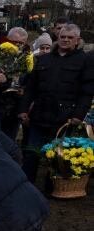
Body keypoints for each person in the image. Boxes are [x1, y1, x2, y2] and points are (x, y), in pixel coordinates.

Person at [19, 24, 94, 186]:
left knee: (57, 157)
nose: (65, 40)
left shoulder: (85, 61)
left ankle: (53, 187)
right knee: (31, 154)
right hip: (39, 116)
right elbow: (31, 87)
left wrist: (78, 115)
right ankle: (25, 186)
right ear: (57, 38)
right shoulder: (44, 59)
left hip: (65, 119)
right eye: (62, 37)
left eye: (70, 38)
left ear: (77, 40)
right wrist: (23, 109)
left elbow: (87, 91)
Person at [0, 27, 30, 140]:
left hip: (14, 111)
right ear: (7, 40)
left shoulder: (28, 62)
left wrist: (7, 82)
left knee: (8, 143)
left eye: (21, 43)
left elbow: (27, 86)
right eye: (14, 42)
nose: (17, 45)